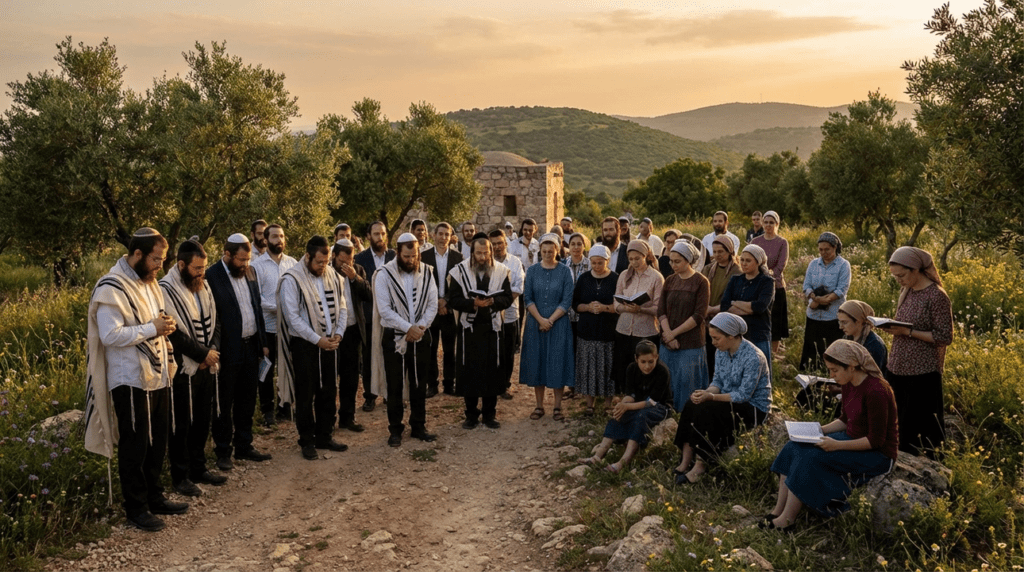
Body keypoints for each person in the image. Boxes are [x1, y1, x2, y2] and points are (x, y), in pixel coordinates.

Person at [84, 228, 188, 532]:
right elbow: (110, 335)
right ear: (138, 254)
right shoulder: (111, 286)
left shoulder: (149, 282)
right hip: (128, 377)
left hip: (155, 373)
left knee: (158, 441)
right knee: (136, 444)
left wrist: (164, 325)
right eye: (156, 259)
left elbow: (155, 318)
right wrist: (152, 329)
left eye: (163, 260)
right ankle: (136, 508)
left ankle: (154, 497)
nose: (160, 265)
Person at [765, 339, 898, 531]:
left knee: (810, 457)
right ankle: (778, 510)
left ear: (852, 366)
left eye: (835, 370)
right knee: (793, 446)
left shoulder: (877, 391)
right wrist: (817, 430)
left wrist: (836, 445)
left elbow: (875, 441)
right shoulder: (849, 382)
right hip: (852, 439)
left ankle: (787, 520)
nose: (831, 375)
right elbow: (845, 419)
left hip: (877, 455)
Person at [159, 238, 227, 498]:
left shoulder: (204, 286)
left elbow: (216, 321)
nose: (202, 273)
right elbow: (174, 332)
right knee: (182, 424)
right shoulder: (166, 289)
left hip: (206, 364)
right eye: (197, 268)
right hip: (184, 367)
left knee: (202, 420)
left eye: (204, 267)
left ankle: (199, 468)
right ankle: (181, 476)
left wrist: (212, 352)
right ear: (181, 264)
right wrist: (201, 354)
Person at [672, 313, 772, 484]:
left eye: (716, 338)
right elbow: (717, 380)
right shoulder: (721, 352)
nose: (713, 343)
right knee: (692, 404)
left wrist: (711, 397)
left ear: (731, 336)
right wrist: (705, 393)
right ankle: (685, 459)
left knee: (708, 409)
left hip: (752, 406)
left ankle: (700, 464)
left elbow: (743, 395)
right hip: (727, 398)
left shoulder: (753, 357)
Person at [277, 236, 349, 460]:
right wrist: (318, 340)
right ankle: (307, 441)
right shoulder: (292, 279)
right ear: (307, 256)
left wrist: (338, 333)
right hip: (305, 345)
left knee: (328, 390)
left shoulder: (335, 277)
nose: (323, 266)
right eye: (319, 262)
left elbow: (343, 307)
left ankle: (325, 436)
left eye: (326, 262)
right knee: (306, 393)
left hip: (330, 342)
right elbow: (293, 318)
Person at [205, 233, 272, 471]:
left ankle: (245, 445)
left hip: (251, 345)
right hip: (226, 350)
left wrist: (263, 342)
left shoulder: (251, 272)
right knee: (224, 401)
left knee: (247, 398)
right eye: (241, 260)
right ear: (227, 255)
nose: (245, 264)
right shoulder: (211, 276)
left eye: (248, 259)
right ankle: (223, 451)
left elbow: (257, 307)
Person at [882, 246, 952, 458]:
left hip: (921, 374)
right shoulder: (908, 291)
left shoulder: (936, 296)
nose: (898, 280)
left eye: (901, 275)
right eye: (895, 276)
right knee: (896, 423)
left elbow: (944, 336)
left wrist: (907, 331)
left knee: (921, 429)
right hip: (898, 367)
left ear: (916, 270)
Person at [370, 233, 439, 447]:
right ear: (398, 252)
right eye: (407, 256)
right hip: (394, 337)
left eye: (414, 256)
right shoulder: (383, 274)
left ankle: (418, 426)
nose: (411, 260)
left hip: (420, 335)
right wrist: (408, 328)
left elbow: (432, 304)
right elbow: (385, 310)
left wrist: (419, 328)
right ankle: (395, 430)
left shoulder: (427, 272)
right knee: (395, 385)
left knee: (419, 383)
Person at [447, 238, 514, 429]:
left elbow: (507, 298)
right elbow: (454, 300)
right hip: (469, 330)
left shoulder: (501, 271)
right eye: (479, 253)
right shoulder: (459, 271)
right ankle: (471, 415)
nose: (483, 257)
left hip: (492, 330)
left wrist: (493, 302)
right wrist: (473, 304)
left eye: (486, 253)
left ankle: (489, 414)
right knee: (470, 371)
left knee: (492, 371)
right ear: (472, 253)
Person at [580, 341, 673, 473]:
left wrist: (627, 407)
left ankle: (623, 461)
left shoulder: (662, 371)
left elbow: (651, 402)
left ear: (656, 357)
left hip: (660, 407)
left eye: (650, 362)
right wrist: (622, 405)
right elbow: (631, 395)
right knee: (619, 415)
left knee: (641, 417)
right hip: (638, 404)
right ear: (636, 359)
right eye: (643, 362)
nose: (647, 366)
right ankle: (597, 455)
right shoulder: (631, 368)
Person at [798, 299, 891, 417]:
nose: (841, 327)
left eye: (844, 322)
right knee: (807, 392)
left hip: (863, 395)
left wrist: (839, 389)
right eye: (839, 322)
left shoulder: (874, 345)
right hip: (846, 384)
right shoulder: (849, 337)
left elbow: (869, 382)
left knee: (822, 402)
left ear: (858, 322)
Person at [520, 233, 575, 421]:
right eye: (544, 251)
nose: (547, 254)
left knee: (557, 362)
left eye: (551, 251)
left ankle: (558, 407)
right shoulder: (533, 271)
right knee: (538, 362)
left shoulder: (565, 271)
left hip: (558, 324)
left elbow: (567, 300)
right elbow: (528, 298)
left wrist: (550, 320)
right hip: (536, 323)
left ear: (557, 251)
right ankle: (539, 405)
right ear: (540, 251)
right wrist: (540, 320)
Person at [252, 224, 298, 426]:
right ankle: (267, 411)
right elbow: (256, 298)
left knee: (287, 368)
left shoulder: (293, 263)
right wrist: (279, 307)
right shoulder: (257, 265)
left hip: (289, 327)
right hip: (268, 327)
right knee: (267, 370)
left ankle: (285, 405)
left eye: (281, 236)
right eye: (274, 237)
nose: (279, 240)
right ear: (266, 239)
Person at [657, 241, 710, 413]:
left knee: (687, 382)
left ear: (688, 260)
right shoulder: (670, 280)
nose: (673, 265)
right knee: (667, 380)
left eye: (677, 261)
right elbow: (661, 310)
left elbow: (698, 315)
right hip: (668, 342)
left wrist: (673, 334)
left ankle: (687, 418)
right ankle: (666, 414)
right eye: (671, 261)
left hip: (691, 342)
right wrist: (668, 334)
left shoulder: (701, 282)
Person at [572, 245, 619, 416]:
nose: (597, 266)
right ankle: (589, 404)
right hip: (587, 330)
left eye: (600, 263)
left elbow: (621, 305)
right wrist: (588, 307)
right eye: (594, 263)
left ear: (607, 261)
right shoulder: (584, 279)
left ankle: (607, 404)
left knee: (607, 366)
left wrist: (606, 308)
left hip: (608, 330)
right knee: (588, 367)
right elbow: (575, 303)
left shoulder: (615, 279)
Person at [612, 240, 664, 394]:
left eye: (637, 258)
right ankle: (623, 397)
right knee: (623, 365)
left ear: (646, 256)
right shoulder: (623, 275)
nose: (634, 262)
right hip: (623, 328)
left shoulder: (656, 277)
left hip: (646, 330)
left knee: (644, 368)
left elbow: (659, 308)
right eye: (631, 259)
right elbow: (615, 301)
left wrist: (640, 309)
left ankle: (642, 399)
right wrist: (624, 307)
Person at [353, 221, 395, 412]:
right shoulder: (359, 259)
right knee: (369, 358)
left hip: (392, 317)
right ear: (368, 236)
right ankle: (370, 396)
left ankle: (388, 393)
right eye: (376, 234)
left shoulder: (395, 256)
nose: (380, 237)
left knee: (390, 356)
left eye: (383, 234)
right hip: (369, 316)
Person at [331, 239, 370, 432]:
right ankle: (328, 420)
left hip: (353, 331)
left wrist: (356, 278)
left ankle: (348, 418)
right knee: (331, 379)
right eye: (342, 261)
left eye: (351, 260)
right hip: (331, 335)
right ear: (334, 256)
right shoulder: (325, 272)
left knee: (351, 378)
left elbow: (369, 296)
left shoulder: (359, 270)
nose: (346, 265)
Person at [420, 222, 463, 397]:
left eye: (447, 234)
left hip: (450, 310)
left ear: (451, 237)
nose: (443, 237)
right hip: (430, 310)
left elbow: (459, 285)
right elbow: (421, 283)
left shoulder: (458, 258)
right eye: (441, 234)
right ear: (433, 235)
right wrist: (435, 303)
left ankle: (449, 383)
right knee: (430, 348)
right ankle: (432, 384)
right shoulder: (423, 257)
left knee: (449, 349)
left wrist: (445, 302)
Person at [800, 232, 851, 371]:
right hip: (814, 315)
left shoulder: (843, 265)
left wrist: (823, 300)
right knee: (812, 350)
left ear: (835, 247)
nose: (823, 252)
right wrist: (813, 297)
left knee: (831, 350)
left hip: (832, 316)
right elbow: (807, 286)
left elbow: (841, 290)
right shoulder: (813, 264)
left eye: (827, 249)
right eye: (821, 249)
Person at [720, 244, 775, 364]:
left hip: (758, 332)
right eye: (742, 260)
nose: (744, 263)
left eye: (748, 260)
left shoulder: (767, 281)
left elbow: (760, 307)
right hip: (736, 334)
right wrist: (749, 308)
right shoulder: (735, 279)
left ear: (758, 262)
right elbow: (724, 306)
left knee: (759, 370)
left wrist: (734, 302)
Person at [489, 229, 525, 400]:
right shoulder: (486, 262)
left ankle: (505, 384)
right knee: (491, 350)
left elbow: (518, 286)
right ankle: (492, 383)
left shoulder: (515, 262)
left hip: (510, 313)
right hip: (489, 314)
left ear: (505, 243)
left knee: (508, 351)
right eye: (493, 244)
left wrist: (501, 302)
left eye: (499, 243)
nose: (497, 246)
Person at [703, 235, 743, 379]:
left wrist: (714, 309)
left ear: (730, 251)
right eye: (714, 251)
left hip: (725, 319)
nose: (717, 255)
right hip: (707, 318)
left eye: (721, 252)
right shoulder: (708, 269)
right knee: (708, 355)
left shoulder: (737, 272)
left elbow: (735, 300)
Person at [751, 211, 790, 358]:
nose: (768, 225)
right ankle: (759, 350)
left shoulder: (782, 242)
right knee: (759, 318)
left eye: (771, 222)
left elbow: (780, 266)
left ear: (777, 224)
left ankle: (773, 353)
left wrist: (766, 277)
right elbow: (750, 260)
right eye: (765, 222)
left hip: (776, 286)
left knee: (775, 319)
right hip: (757, 286)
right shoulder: (755, 241)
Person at [560, 232, 591, 400]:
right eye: (573, 244)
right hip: (566, 315)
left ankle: (582, 386)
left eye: (579, 244)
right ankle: (571, 386)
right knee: (569, 350)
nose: (576, 247)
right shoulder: (563, 265)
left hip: (584, 315)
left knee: (582, 351)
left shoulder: (590, 265)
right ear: (568, 247)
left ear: (584, 246)